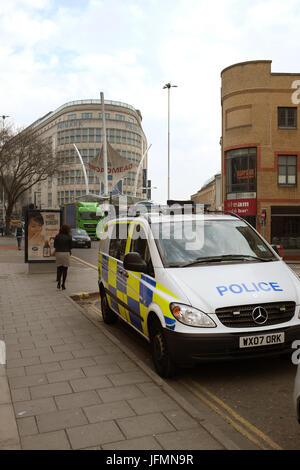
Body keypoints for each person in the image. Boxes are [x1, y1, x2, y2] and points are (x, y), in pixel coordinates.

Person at [54, 224, 72, 290]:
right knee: (65, 270)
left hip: (58, 253)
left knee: (59, 269)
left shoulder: (57, 236)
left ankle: (58, 283)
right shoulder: (69, 237)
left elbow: (55, 245)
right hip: (66, 253)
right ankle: (63, 284)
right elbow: (71, 247)